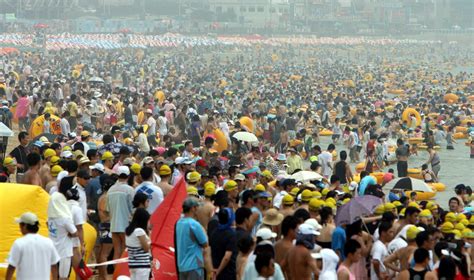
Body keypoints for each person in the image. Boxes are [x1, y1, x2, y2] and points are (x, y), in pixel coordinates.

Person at [6, 212, 60, 280]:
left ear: (24, 226)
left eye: (20, 225)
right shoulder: (48, 242)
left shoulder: (19, 243)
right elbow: (54, 266)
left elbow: (11, 267)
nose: (20, 228)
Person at [176, 198, 212, 279]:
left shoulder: (178, 223)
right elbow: (205, 243)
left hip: (182, 266)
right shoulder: (194, 224)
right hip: (194, 265)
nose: (198, 209)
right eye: (197, 207)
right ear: (193, 208)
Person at [47, 191, 78, 280]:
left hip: (53, 250)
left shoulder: (50, 218)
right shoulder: (65, 218)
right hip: (64, 252)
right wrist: (69, 234)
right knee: (64, 277)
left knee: (54, 276)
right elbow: (75, 232)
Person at [107, 166, 134, 261]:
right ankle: (123, 273)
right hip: (126, 224)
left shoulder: (110, 190)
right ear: (128, 176)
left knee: (117, 250)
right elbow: (133, 209)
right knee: (125, 250)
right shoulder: (129, 190)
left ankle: (116, 274)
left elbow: (108, 208)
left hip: (114, 225)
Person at [210, 208, 237, 280]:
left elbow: (209, 250)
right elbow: (227, 257)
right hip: (227, 272)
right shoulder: (231, 235)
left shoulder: (214, 232)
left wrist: (213, 270)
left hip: (214, 268)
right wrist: (218, 272)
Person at [125, 208, 151, 280]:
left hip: (133, 264)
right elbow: (146, 248)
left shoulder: (128, 231)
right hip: (142, 265)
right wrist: (149, 236)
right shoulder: (139, 231)